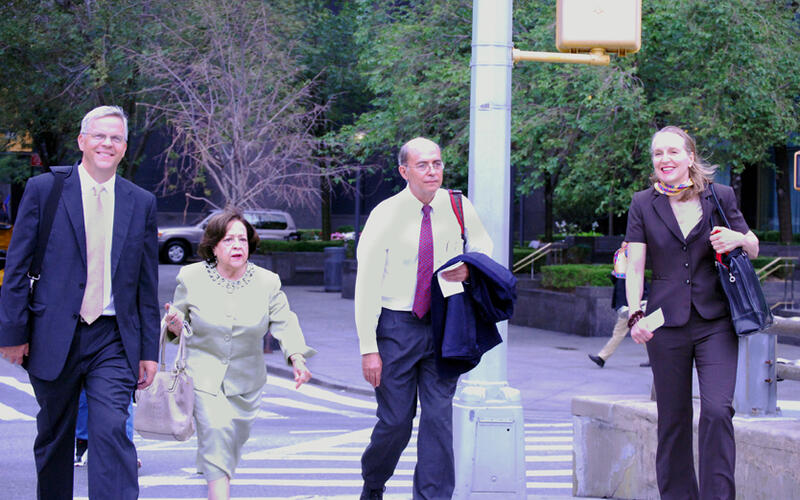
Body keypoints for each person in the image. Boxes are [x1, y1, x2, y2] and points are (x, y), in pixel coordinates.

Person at [0, 105, 160, 499]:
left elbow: (146, 283)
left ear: (124, 148)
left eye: (116, 138)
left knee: (110, 430)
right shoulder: (45, 190)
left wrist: (149, 351)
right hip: (54, 332)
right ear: (82, 141)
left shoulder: (140, 201)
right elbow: (17, 269)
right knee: (55, 435)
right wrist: (12, 333)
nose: (108, 143)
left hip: (113, 337)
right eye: (100, 135)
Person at [355, 137, 493, 500]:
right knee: (395, 423)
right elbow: (366, 283)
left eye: (437, 163)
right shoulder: (385, 214)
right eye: (423, 165)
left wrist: (470, 268)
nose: (433, 171)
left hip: (445, 324)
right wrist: (369, 347)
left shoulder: (458, 205)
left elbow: (483, 249)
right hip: (395, 327)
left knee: (437, 420)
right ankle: (373, 482)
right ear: (404, 171)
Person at [625, 126, 759, 499]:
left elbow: (753, 246)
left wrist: (737, 239)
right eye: (657, 154)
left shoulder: (720, 197)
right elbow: (635, 266)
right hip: (666, 326)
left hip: (716, 322)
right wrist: (635, 313)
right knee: (673, 420)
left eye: (672, 152)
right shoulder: (642, 203)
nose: (665, 160)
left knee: (717, 411)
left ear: (690, 157)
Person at [162, 209, 315, 500]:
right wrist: (173, 324)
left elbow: (285, 322)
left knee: (228, 443)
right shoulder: (191, 277)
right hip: (204, 376)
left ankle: (212, 465)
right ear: (214, 246)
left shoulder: (267, 282)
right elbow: (177, 321)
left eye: (242, 240)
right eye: (229, 239)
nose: (237, 246)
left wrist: (297, 358)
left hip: (247, 382)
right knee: (217, 431)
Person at [588, 241, 650, 368]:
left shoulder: (633, 271)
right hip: (629, 307)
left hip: (630, 308)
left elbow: (639, 288)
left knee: (620, 333)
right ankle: (655, 357)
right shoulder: (625, 270)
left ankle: (602, 357)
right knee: (633, 332)